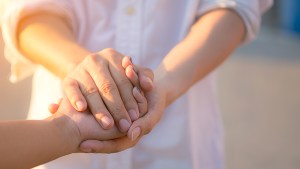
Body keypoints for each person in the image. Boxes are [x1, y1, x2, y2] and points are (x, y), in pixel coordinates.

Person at [1, 0, 273, 168]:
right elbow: (26, 11)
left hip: (178, 145)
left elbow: (235, 7)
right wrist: (84, 71)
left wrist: (164, 88)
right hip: (71, 131)